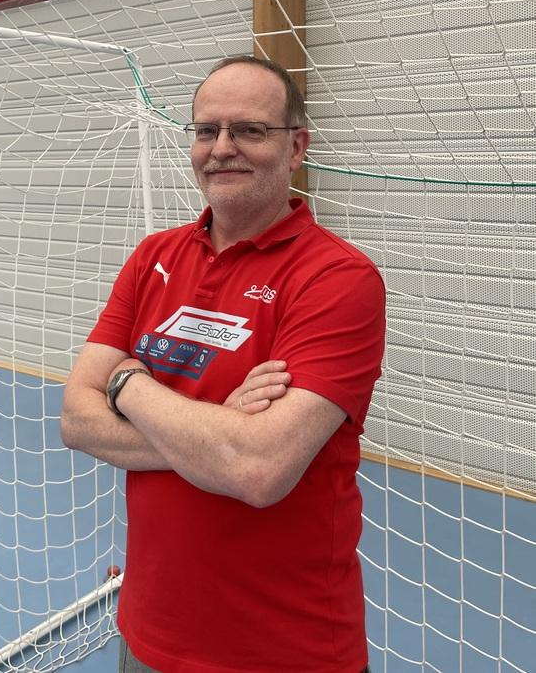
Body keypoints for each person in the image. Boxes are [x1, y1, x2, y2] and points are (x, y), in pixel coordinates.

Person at [61, 55, 385, 673]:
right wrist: (217, 433)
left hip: (282, 650)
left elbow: (258, 469)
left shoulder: (339, 279)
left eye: (250, 131)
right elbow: (76, 419)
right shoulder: (151, 256)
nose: (222, 148)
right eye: (207, 130)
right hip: (147, 631)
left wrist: (127, 382)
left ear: (296, 148)